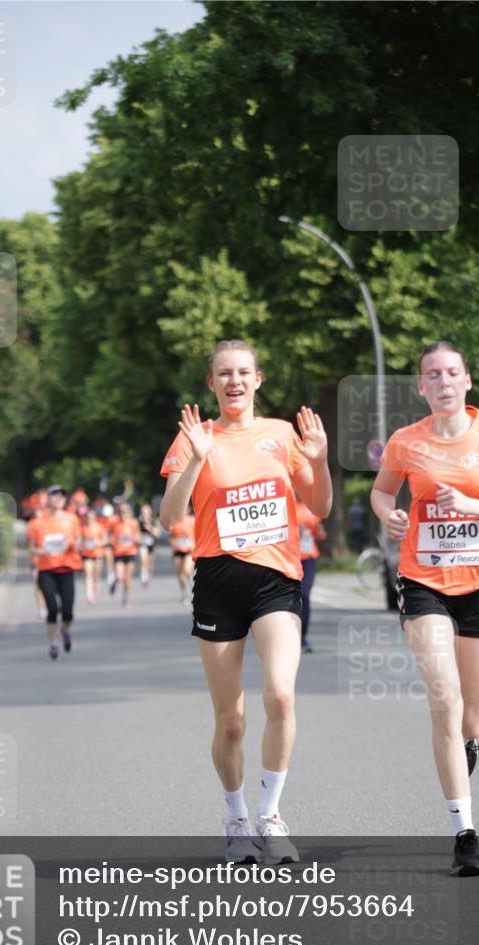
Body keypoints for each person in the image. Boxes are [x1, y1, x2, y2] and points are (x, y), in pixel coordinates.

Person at [160, 339, 332, 863]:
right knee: (230, 720)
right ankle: (235, 819)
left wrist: (320, 461)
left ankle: (270, 815)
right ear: (211, 383)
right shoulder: (194, 437)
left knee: (281, 697)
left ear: (257, 380)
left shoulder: (280, 434)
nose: (234, 381)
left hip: (276, 580)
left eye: (242, 372)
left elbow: (320, 505)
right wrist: (197, 460)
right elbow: (169, 517)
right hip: (217, 581)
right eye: (224, 373)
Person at [370, 341, 479, 876]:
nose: (443, 382)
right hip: (423, 581)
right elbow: (381, 491)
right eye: (432, 375)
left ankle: (468, 742)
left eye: (451, 373)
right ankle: (465, 833)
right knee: (444, 697)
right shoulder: (406, 441)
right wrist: (389, 514)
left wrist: (470, 505)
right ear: (421, 387)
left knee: (471, 717)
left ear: (466, 381)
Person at [27, 485, 82, 659]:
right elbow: (31, 548)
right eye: (55, 495)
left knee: (67, 611)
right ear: (47, 499)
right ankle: (53, 643)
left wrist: (76, 544)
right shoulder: (37, 523)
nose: (58, 498)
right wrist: (38, 551)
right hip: (46, 570)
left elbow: (78, 541)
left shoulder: (72, 519)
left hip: (66, 569)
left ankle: (65, 629)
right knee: (51, 609)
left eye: (62, 496)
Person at [295, 501, 325, 653]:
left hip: (308, 559)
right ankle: (290, 636)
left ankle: (303, 637)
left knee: (305, 595)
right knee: (291, 597)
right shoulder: (285, 503)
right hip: (290, 557)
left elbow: (320, 533)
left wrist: (315, 532)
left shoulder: (311, 508)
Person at [109, 502, 141, 607]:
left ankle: (125, 599)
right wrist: (111, 541)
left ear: (129, 512)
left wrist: (133, 537)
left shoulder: (133, 523)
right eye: (121, 512)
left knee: (127, 578)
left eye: (125, 512)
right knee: (119, 576)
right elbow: (110, 535)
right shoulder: (115, 523)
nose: (123, 514)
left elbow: (139, 537)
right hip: (118, 553)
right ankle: (114, 582)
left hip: (130, 553)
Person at [81, 508, 108, 603]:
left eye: (91, 517)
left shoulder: (99, 527)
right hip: (86, 554)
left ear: (95, 518)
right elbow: (80, 540)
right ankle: (89, 594)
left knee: (96, 573)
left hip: (97, 553)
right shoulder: (83, 528)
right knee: (88, 573)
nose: (89, 519)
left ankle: (97, 583)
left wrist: (98, 542)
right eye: (88, 517)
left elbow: (105, 540)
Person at [169, 511, 195, 603]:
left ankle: (192, 587)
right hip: (178, 550)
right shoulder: (174, 522)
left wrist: (194, 544)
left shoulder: (192, 520)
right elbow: (171, 537)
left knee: (187, 570)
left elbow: (198, 533)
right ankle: (184, 592)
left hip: (189, 550)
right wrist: (173, 543)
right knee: (180, 574)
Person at [138, 503, 161, 586]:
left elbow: (157, 534)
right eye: (143, 512)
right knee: (144, 560)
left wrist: (150, 527)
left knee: (150, 562)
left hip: (151, 544)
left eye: (146, 512)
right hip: (142, 544)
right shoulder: (138, 522)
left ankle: (149, 573)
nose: (145, 514)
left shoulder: (153, 521)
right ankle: (143, 577)